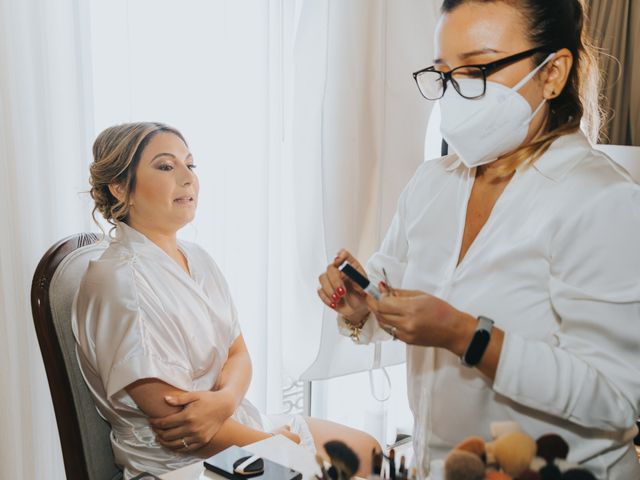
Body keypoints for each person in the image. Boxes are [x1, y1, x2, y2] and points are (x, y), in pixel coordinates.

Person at [317, 1, 640, 479]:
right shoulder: (431, 184)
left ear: (552, 73)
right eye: (444, 73)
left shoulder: (603, 200)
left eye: (476, 69)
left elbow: (615, 397)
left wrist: (466, 336)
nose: (453, 93)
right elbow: (392, 281)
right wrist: (362, 305)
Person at [72, 122, 378, 479]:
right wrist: (274, 445)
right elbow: (182, 429)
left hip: (236, 425)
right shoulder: (121, 282)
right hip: (183, 464)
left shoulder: (196, 257)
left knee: (369, 454)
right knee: (336, 473)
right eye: (166, 166)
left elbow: (238, 352)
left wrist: (226, 402)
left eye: (191, 164)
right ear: (120, 187)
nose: (188, 178)